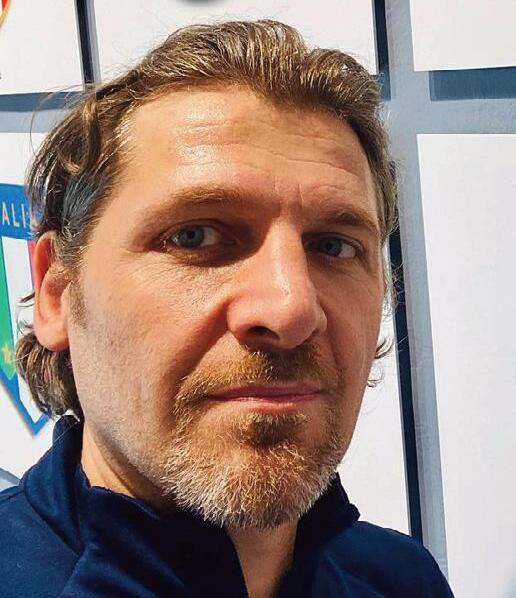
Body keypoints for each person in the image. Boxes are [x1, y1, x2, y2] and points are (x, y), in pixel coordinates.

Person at [0, 20, 454, 598]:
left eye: (332, 246)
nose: (292, 308)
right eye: (194, 237)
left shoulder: (402, 577)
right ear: (58, 292)